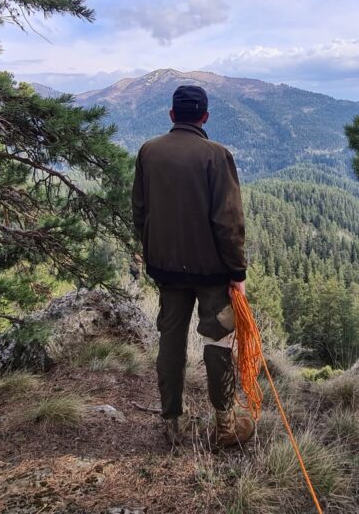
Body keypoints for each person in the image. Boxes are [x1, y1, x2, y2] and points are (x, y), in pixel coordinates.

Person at [131, 84, 256, 447]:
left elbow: (140, 211)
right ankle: (226, 426)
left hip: (166, 269)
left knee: (170, 340)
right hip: (213, 273)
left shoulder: (148, 152)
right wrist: (237, 273)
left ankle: (173, 422)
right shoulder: (216, 156)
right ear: (205, 116)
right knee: (218, 340)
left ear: (172, 115)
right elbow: (228, 223)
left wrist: (154, 250)